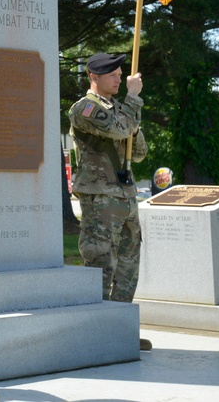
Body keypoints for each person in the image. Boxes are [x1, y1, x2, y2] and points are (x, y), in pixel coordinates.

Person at [68, 52, 148, 308]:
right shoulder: (85, 108)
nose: (119, 79)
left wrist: (130, 115)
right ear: (94, 77)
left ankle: (121, 328)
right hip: (100, 196)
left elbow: (138, 153)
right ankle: (97, 328)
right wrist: (133, 99)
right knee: (101, 262)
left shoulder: (121, 111)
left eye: (119, 75)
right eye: (112, 75)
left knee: (128, 266)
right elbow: (120, 129)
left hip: (125, 196)